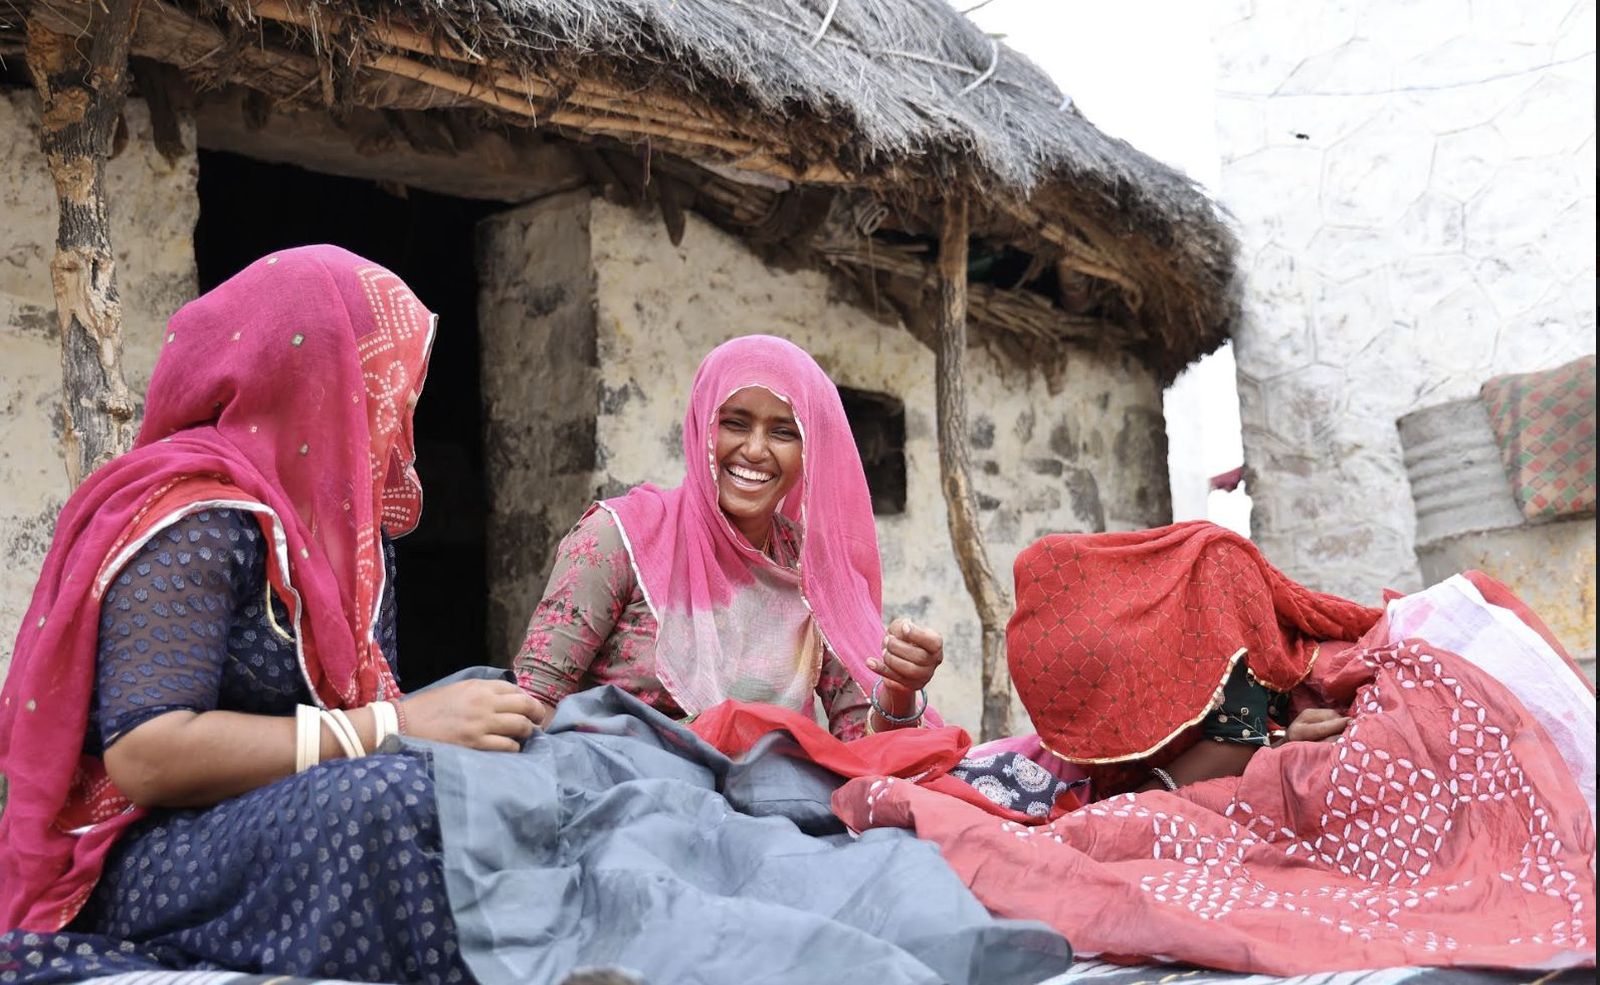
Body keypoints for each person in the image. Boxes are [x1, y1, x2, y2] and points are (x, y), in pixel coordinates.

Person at [0, 246, 543, 981]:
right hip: (156, 850)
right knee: (385, 803)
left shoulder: (349, 534)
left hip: (286, 807)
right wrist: (398, 726)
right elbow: (146, 754)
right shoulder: (195, 517)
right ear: (317, 381)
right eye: (383, 386)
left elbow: (363, 714)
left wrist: (440, 718)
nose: (398, 419)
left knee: (503, 734)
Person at [514, 335, 943, 739]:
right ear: (704, 426)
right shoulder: (618, 538)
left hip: (771, 807)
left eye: (783, 431)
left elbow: (858, 743)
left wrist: (900, 689)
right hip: (630, 800)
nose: (755, 450)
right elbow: (533, 701)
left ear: (807, 448)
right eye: (735, 423)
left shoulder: (812, 567)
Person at [1005, 520, 1382, 798]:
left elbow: (1239, 741)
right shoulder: (1086, 638)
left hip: (1331, 711)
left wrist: (1133, 802)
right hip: (1259, 747)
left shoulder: (1213, 570)